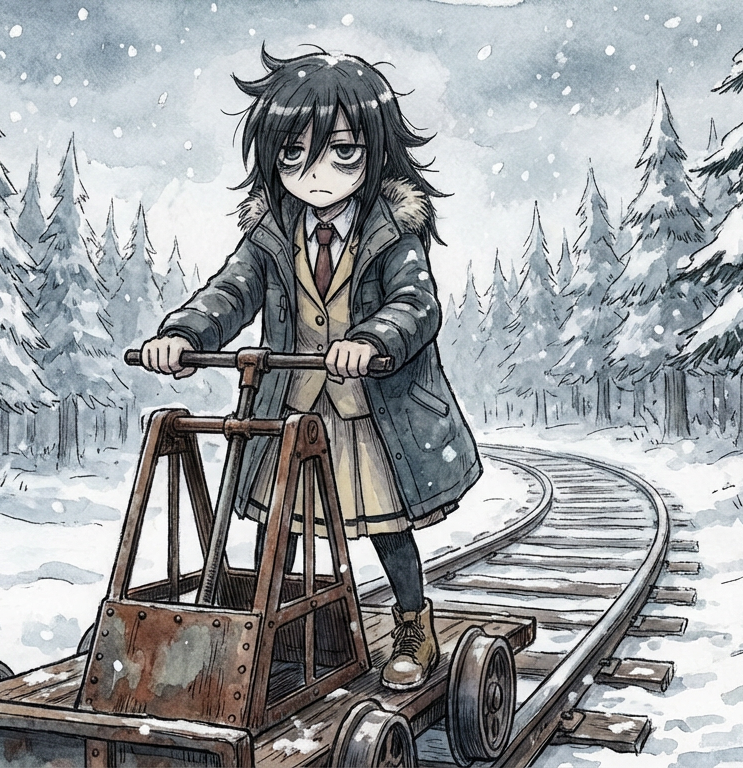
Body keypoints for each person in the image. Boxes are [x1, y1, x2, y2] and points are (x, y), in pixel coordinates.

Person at [140, 47, 482, 691]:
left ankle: (413, 622)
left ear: (376, 151)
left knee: (385, 524)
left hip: (366, 412)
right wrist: (184, 333)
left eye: (341, 153)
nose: (315, 174)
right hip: (292, 406)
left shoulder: (391, 230)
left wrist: (373, 338)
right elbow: (232, 291)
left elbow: (417, 303)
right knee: (280, 530)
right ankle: (269, 631)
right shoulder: (273, 230)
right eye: (293, 155)